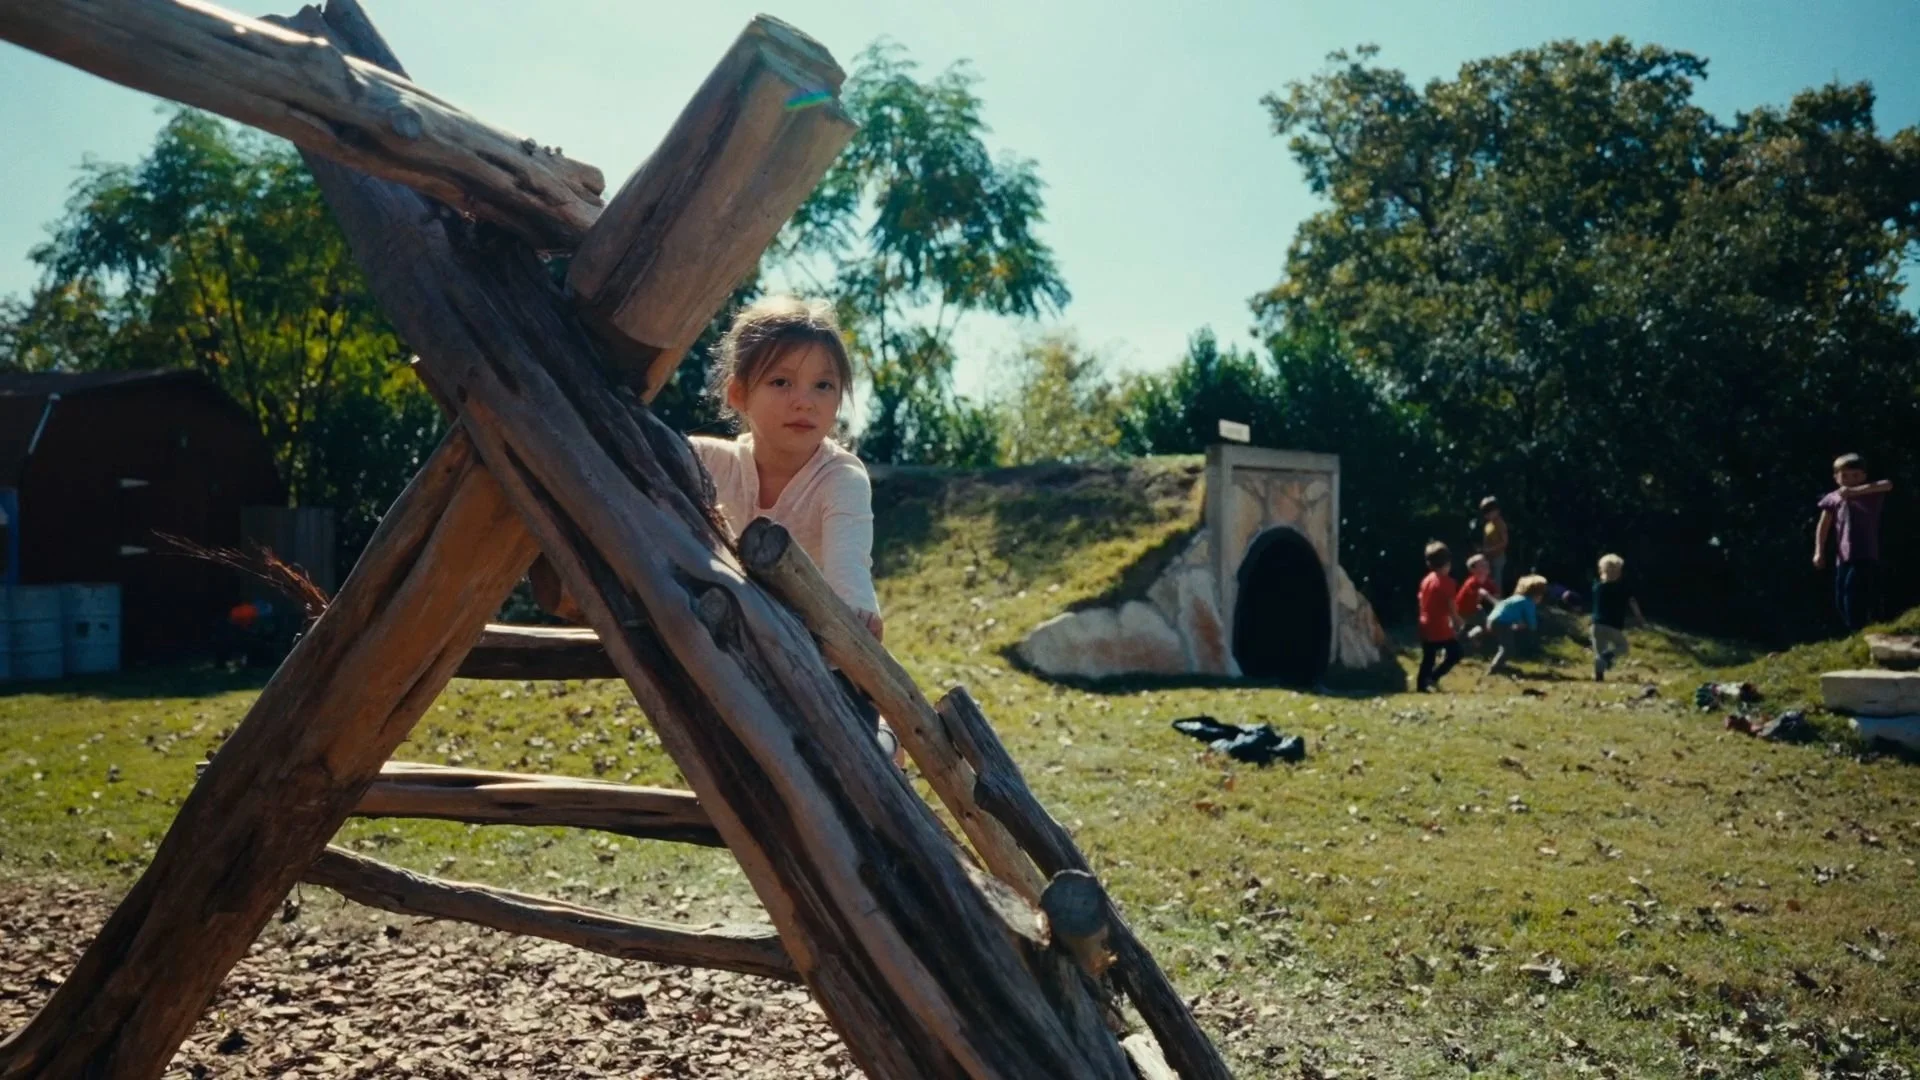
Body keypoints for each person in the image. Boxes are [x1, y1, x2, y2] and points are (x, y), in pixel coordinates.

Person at [688, 296, 898, 762]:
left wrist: (857, 608)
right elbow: (643, 450)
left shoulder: (840, 477)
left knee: (861, 765)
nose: (804, 400)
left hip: (827, 663)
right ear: (739, 393)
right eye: (781, 381)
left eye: (824, 385)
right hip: (742, 657)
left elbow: (849, 564)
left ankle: (885, 742)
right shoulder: (711, 461)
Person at [1813, 453, 1892, 633]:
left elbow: (1887, 484)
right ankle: (1856, 629)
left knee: (1853, 592)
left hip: (1865, 553)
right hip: (1843, 556)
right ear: (1836, 477)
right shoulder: (1832, 498)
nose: (1850, 480)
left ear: (1863, 476)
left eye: (1855, 475)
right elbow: (1823, 526)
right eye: (1845, 476)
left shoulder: (1870, 492)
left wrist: (1854, 492)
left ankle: (1860, 629)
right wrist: (1819, 551)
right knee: (1841, 596)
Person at [1416, 541, 1464, 692]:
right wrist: (1457, 621)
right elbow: (1450, 604)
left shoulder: (1427, 579)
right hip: (1439, 626)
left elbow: (1420, 599)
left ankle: (1422, 684)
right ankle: (1434, 677)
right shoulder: (1447, 582)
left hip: (1425, 622)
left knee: (1428, 657)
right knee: (1456, 653)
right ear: (1448, 562)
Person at [1589, 554, 1645, 681]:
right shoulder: (1622, 588)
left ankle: (1599, 677)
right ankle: (1609, 655)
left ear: (1602, 570)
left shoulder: (1597, 587)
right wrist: (1639, 617)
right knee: (1623, 647)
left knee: (1599, 652)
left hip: (1596, 625)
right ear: (1619, 571)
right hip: (1613, 625)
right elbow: (1632, 602)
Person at [1486, 575, 1548, 675]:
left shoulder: (1516, 598)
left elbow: (1510, 612)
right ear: (1536, 595)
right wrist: (1533, 629)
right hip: (1502, 623)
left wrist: (1518, 624)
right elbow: (1531, 619)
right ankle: (1495, 668)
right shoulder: (1528, 602)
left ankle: (1500, 664)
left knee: (1505, 645)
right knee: (1508, 648)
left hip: (1492, 619)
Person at [1456, 553, 1499, 649]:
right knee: (1488, 624)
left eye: (1486, 562)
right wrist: (1496, 603)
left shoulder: (1487, 580)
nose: (1486, 564)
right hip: (1462, 612)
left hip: (1474, 609)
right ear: (1473, 570)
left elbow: (1495, 594)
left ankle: (1468, 637)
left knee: (1484, 623)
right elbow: (1482, 593)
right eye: (1481, 564)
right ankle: (1470, 638)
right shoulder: (1471, 583)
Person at [1478, 496, 1510, 592]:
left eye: (1489, 512)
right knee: (1488, 582)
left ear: (1496, 510)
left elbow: (1504, 542)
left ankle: (1498, 602)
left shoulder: (1500, 524)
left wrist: (1490, 550)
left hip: (1498, 557)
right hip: (1488, 557)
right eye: (1485, 512)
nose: (1487, 515)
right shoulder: (1488, 525)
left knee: (1496, 582)